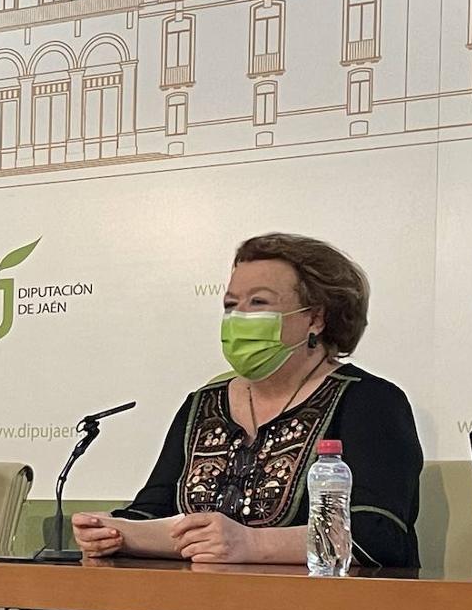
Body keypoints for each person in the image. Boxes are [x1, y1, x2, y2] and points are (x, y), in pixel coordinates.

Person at [73, 233, 423, 568]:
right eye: (230, 305)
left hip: (320, 604)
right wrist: (112, 532)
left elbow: (379, 536)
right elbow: (153, 511)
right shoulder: (202, 404)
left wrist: (251, 544)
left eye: (258, 303)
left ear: (315, 318)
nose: (238, 317)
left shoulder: (370, 401)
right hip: (198, 600)